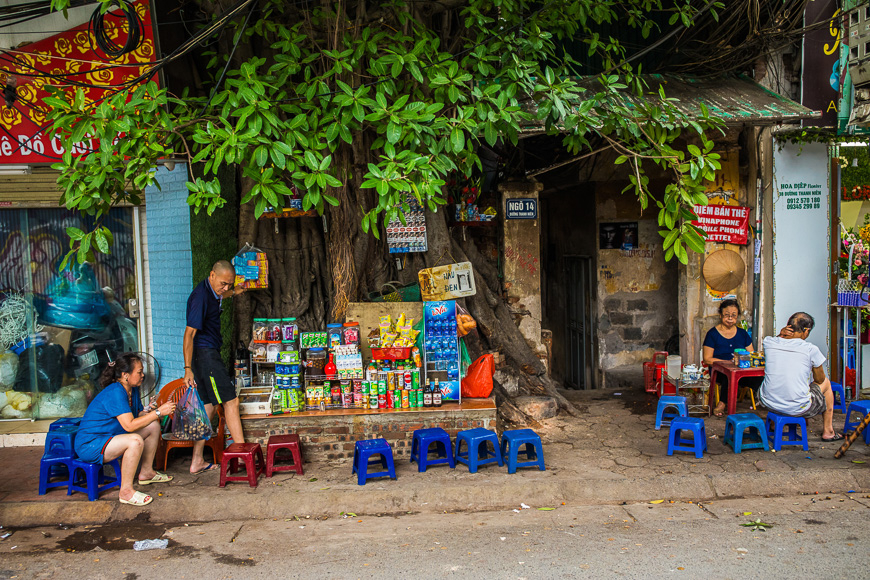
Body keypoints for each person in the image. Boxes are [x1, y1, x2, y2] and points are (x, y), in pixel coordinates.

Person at [73, 353, 176, 506]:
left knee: (153, 425)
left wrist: (153, 411)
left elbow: (137, 415)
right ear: (125, 375)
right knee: (135, 441)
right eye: (139, 372)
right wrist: (158, 412)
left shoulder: (132, 389)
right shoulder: (115, 392)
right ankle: (126, 492)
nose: (142, 375)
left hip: (111, 437)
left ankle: (147, 472)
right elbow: (129, 425)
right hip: (91, 444)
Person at [184, 260, 246, 474]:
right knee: (231, 401)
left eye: (229, 284)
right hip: (206, 355)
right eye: (223, 283)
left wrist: (235, 291)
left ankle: (197, 461)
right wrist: (187, 368)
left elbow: (222, 295)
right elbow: (189, 334)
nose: (225, 288)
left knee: (209, 406)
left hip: (205, 355)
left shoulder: (213, 291)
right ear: (212, 275)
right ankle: (243, 456)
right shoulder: (200, 297)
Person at [758, 312, 840, 441]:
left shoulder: (769, 342)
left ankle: (773, 424)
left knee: (778, 384)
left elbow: (777, 340)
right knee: (826, 383)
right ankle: (828, 431)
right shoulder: (810, 349)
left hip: (767, 402)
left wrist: (781, 335)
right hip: (798, 408)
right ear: (806, 331)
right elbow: (819, 380)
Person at [703, 299, 758, 417]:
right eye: (726, 315)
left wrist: (742, 360)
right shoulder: (712, 334)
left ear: (737, 316)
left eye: (733, 315)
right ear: (721, 315)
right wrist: (727, 363)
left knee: (759, 378)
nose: (730, 318)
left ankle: (768, 401)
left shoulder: (743, 334)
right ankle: (722, 404)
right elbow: (707, 359)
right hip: (719, 371)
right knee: (729, 376)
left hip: (741, 370)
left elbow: (751, 355)